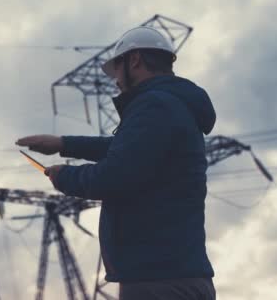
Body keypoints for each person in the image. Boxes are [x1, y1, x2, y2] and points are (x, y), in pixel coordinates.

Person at [16, 26, 217, 300]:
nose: (115, 82)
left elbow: (114, 175)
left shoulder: (154, 105)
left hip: (158, 280)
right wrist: (63, 144)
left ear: (134, 60)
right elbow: (129, 151)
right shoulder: (172, 105)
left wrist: (64, 176)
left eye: (116, 72)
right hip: (170, 274)